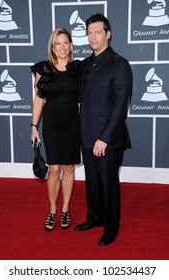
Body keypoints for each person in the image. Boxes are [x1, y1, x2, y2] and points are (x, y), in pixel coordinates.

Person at [74, 14, 133, 246]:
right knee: (92, 182)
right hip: (87, 135)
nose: (93, 37)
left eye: (98, 32)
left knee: (108, 184)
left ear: (108, 34)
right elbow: (79, 95)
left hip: (108, 139)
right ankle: (95, 217)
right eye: (89, 33)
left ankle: (111, 228)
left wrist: (104, 138)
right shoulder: (86, 64)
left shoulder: (119, 64)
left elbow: (120, 106)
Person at [30, 28, 81, 231]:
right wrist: (34, 126)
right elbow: (38, 100)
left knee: (69, 168)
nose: (62, 47)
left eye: (65, 43)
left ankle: (66, 209)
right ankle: (52, 209)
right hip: (51, 125)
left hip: (72, 124)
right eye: (58, 43)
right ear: (52, 46)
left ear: (70, 45)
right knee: (54, 169)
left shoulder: (78, 68)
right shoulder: (44, 69)